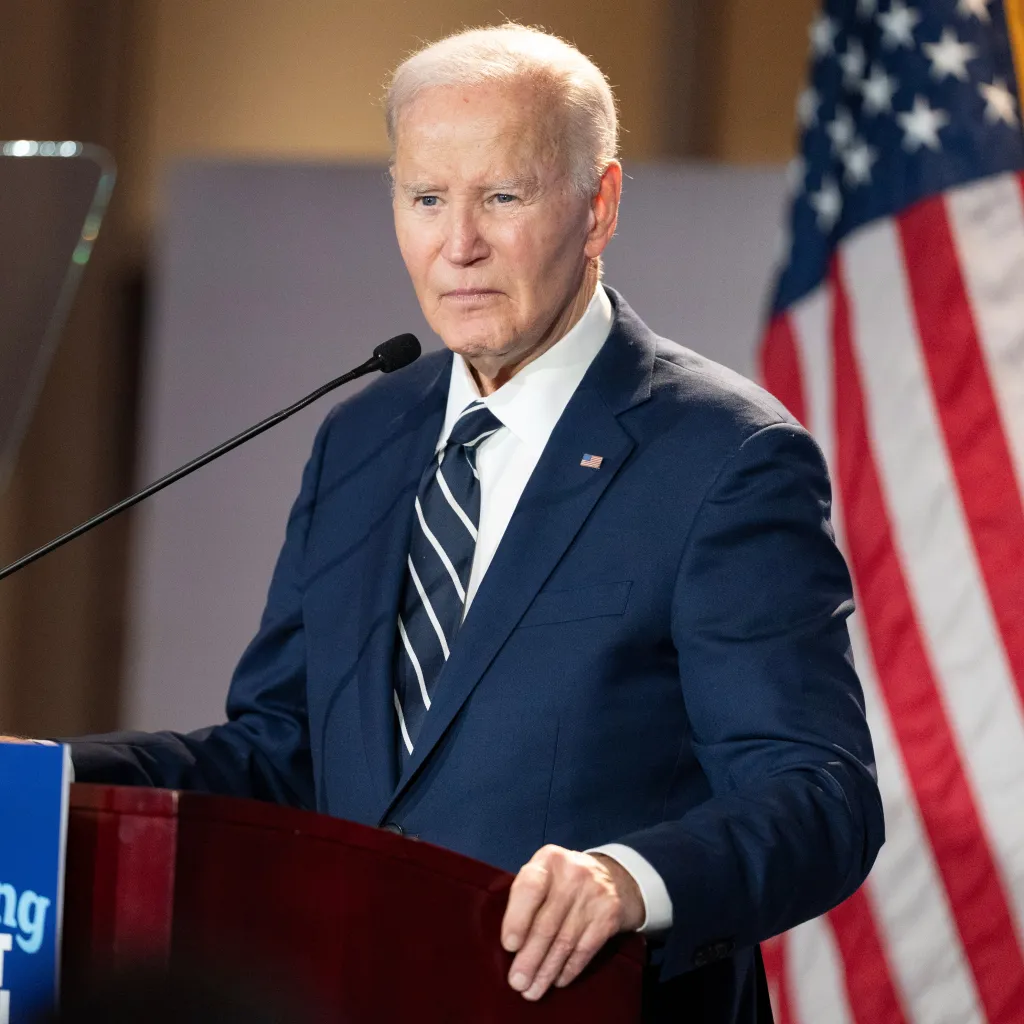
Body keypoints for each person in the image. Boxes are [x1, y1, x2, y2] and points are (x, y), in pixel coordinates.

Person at [14, 24, 884, 1022]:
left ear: (597, 206)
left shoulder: (720, 455)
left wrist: (628, 878)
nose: (456, 243)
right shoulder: (365, 434)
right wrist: (47, 774)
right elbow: (280, 750)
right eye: (426, 198)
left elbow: (816, 795)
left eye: (501, 197)